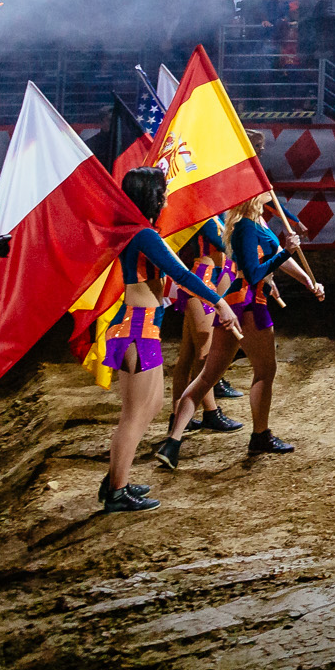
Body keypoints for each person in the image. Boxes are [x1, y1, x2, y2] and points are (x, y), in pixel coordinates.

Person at [99, 168, 238, 514]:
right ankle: (116, 492)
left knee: (149, 407)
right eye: (161, 194)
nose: (165, 200)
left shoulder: (138, 232)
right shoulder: (144, 234)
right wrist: (219, 302)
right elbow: (182, 274)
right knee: (135, 415)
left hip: (139, 327)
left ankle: (116, 478)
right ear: (151, 197)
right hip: (137, 328)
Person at [158, 197, 325, 469]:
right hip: (249, 304)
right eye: (263, 191)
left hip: (240, 302)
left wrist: (308, 281)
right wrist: (287, 252)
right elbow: (254, 273)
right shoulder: (246, 227)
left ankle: (172, 442)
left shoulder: (254, 224)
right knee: (265, 371)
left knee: (208, 375)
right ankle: (260, 434)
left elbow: (274, 257)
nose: (268, 193)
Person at [169, 218, 241, 436]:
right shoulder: (203, 216)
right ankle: (210, 412)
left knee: (188, 353)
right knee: (203, 352)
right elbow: (223, 243)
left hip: (208, 278)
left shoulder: (213, 216)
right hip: (202, 281)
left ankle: (177, 415)